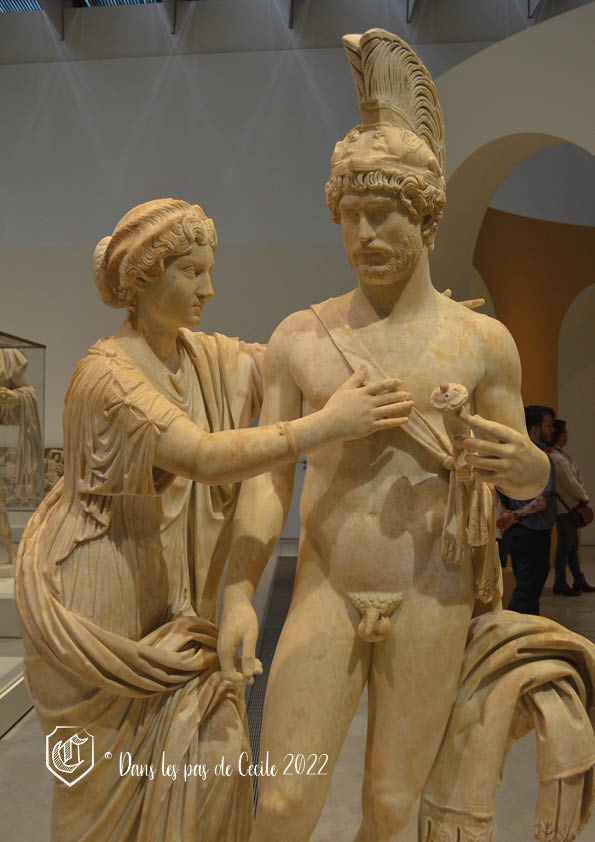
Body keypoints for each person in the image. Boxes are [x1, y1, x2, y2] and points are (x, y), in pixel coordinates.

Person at [218, 32, 550, 842]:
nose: (363, 235)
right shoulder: (300, 337)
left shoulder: (481, 343)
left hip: (432, 593)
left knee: (393, 806)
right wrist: (237, 594)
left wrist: (529, 465)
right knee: (284, 803)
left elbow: (521, 478)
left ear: (426, 217)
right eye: (350, 217)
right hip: (325, 588)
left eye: (383, 215)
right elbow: (267, 478)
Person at [15, 198, 411, 842]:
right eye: (192, 272)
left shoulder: (205, 356)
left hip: (175, 585)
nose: (209, 289)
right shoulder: (104, 376)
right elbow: (200, 456)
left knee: (212, 756)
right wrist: (327, 425)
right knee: (99, 788)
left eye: (209, 270)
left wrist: (404, 326)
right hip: (103, 584)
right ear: (143, 279)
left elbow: (297, 359)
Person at [496, 405, 558, 612]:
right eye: (548, 425)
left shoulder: (511, 456)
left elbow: (498, 490)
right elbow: (543, 500)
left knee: (527, 589)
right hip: (532, 533)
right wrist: (515, 515)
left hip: (515, 532)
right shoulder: (541, 459)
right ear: (535, 428)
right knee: (527, 592)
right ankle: (512, 629)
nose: (552, 430)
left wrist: (507, 515)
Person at [549, 418, 594, 594]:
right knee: (565, 547)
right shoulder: (557, 458)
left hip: (568, 508)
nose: (567, 435)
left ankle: (578, 580)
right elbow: (571, 484)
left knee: (572, 546)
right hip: (565, 509)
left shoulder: (560, 455)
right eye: (564, 432)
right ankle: (560, 582)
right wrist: (584, 497)